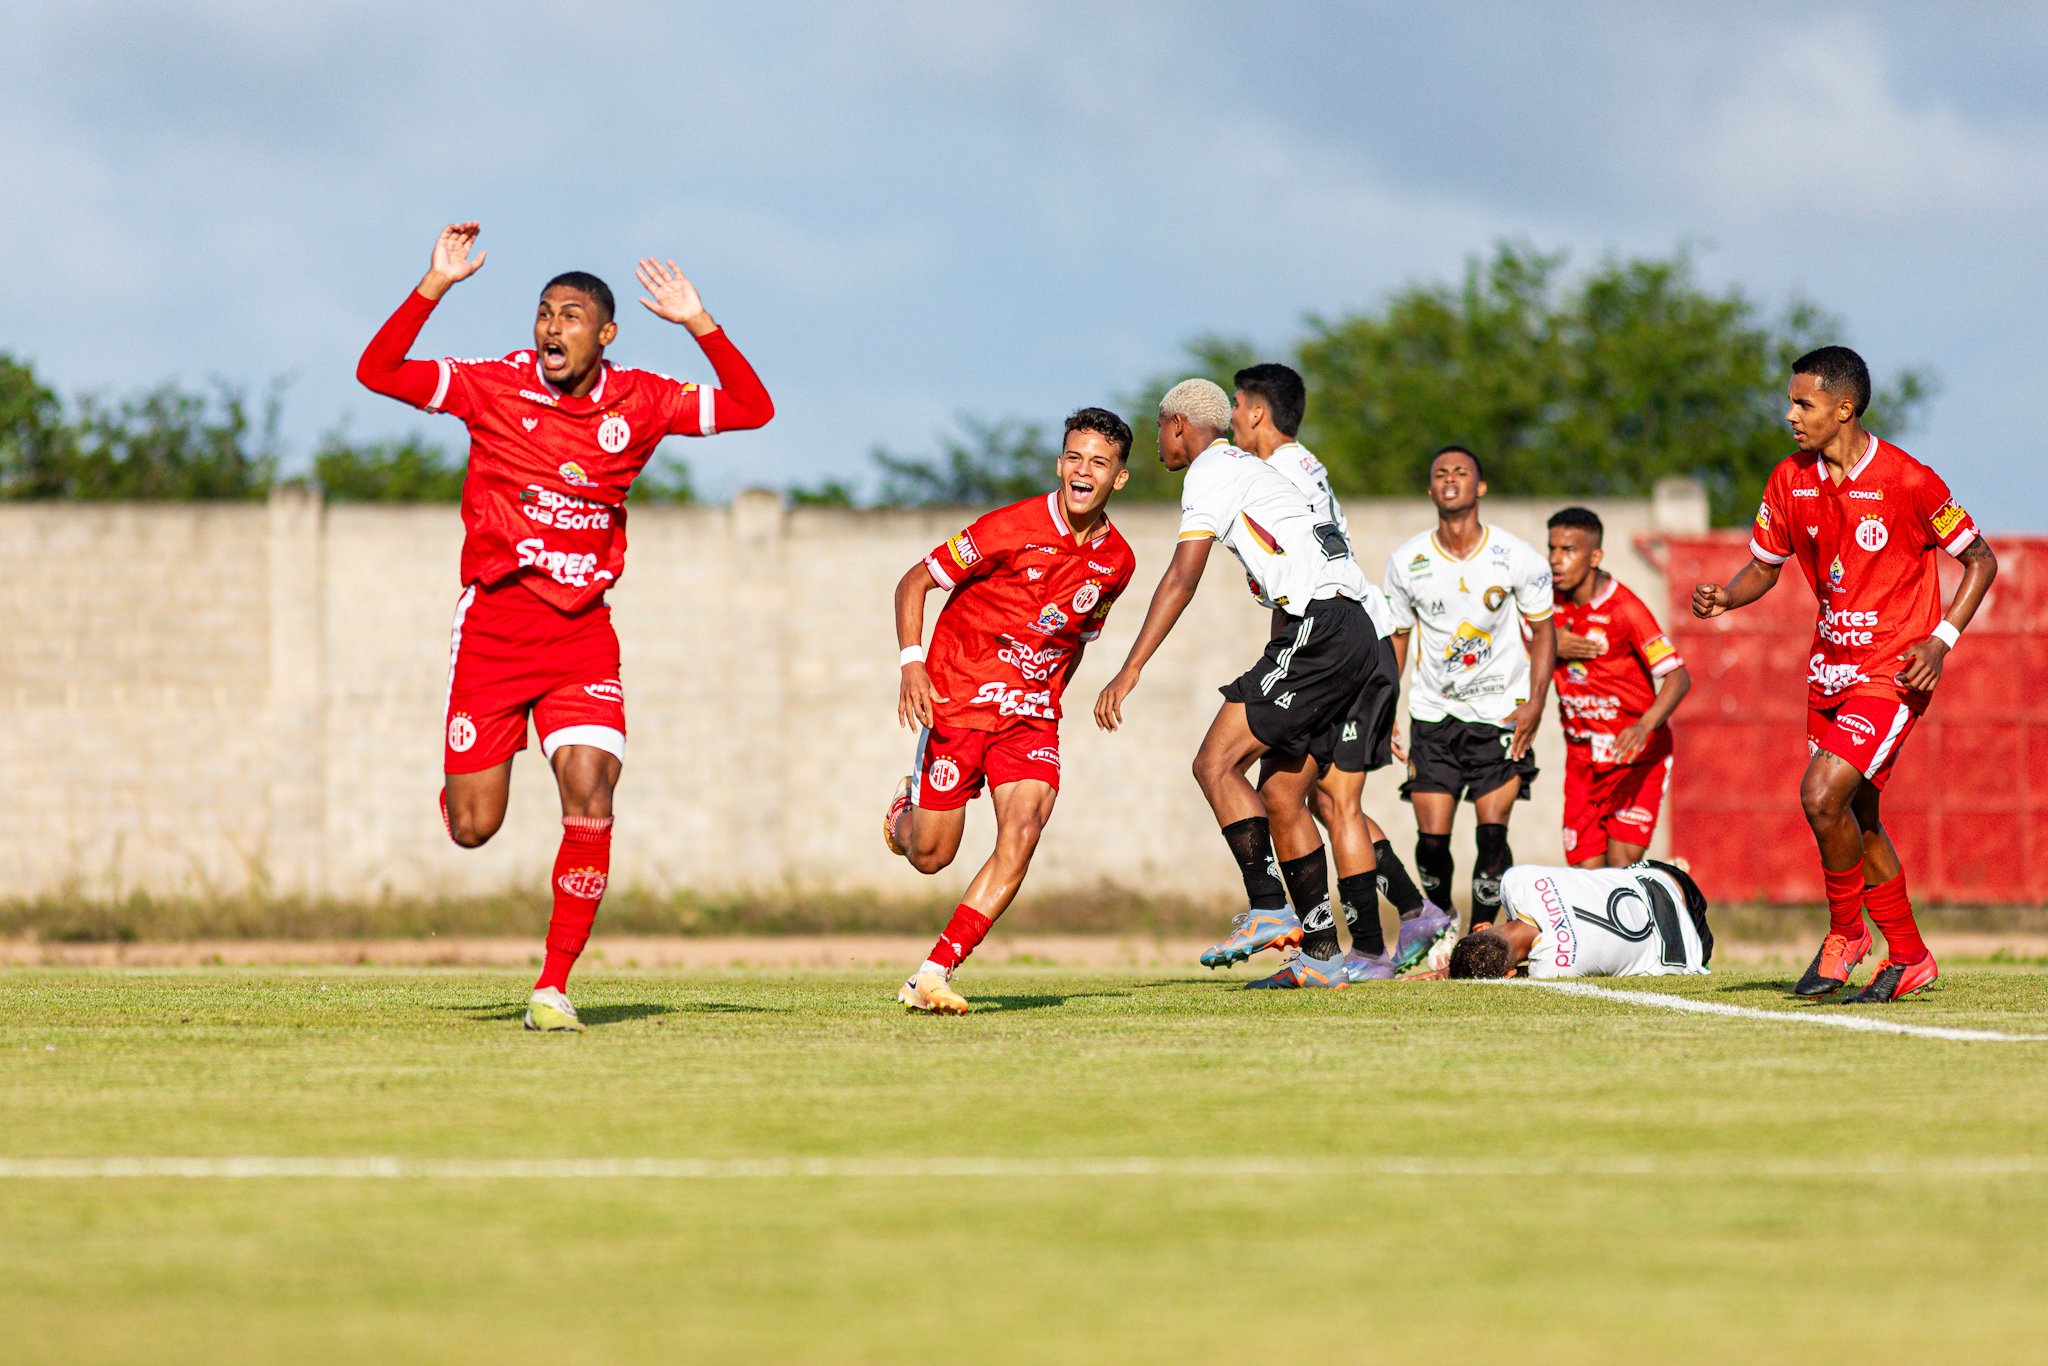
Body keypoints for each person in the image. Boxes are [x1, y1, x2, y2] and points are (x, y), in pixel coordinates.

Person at [356, 221, 773, 1032]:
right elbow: (377, 372)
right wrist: (435, 282)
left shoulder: (644, 399)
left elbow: (754, 408)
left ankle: (552, 985)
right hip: (496, 629)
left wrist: (699, 323)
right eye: (544, 312)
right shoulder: (494, 385)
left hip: (583, 635)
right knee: (476, 829)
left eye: (571, 314)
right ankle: (460, 791)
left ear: (605, 334)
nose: (551, 327)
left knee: (592, 791)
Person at [1693, 346, 1995, 1003]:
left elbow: (1981, 560)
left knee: (1820, 795)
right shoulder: (1788, 479)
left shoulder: (1910, 480)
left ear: (1843, 408)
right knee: (1859, 816)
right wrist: (1726, 596)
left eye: (1803, 404)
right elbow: (1765, 567)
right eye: (1791, 402)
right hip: (1828, 671)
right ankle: (1910, 957)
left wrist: (1940, 643)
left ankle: (1846, 935)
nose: (1790, 415)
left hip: (1893, 672)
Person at [1094, 378, 1381, 990]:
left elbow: (1181, 576)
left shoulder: (1211, 469)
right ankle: (1326, 955)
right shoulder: (1252, 472)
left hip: (1323, 629)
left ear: (1178, 426)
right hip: (1353, 633)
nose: (1157, 442)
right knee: (1281, 796)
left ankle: (1269, 906)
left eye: (1159, 429)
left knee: (1214, 764)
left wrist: (1131, 667)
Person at [886, 409, 1138, 1013]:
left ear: (1119, 479)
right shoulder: (1007, 527)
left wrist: (1049, 695)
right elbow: (914, 581)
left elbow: (1076, 639)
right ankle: (902, 813)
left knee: (1022, 831)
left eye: (1099, 463)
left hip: (1030, 716)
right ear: (1060, 464)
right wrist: (912, 663)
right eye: (1074, 458)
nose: (1084, 472)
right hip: (957, 699)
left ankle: (933, 973)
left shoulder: (1118, 563)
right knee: (930, 855)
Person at [1228, 363, 1454, 978]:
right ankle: (1412, 913)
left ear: (1253, 411)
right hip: (1352, 638)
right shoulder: (1305, 466)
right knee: (1312, 796)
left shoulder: (1271, 476)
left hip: (1346, 640)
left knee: (1339, 802)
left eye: (1233, 406)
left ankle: (1371, 950)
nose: (1228, 419)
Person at [1383, 447, 1557, 931]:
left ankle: (1480, 934)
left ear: (1480, 487)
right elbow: (1398, 638)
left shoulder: (1516, 556)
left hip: (1501, 715)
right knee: (1432, 842)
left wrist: (1536, 704)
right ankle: (1442, 922)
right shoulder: (1407, 560)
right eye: (1440, 473)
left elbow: (1544, 631)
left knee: (1492, 836)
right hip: (1433, 716)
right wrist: (1383, 710)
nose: (1450, 479)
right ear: (1430, 488)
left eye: (1461, 472)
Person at [1547, 507, 1693, 868]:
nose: (1556, 560)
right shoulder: (1544, 605)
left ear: (1595, 556)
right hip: (1582, 760)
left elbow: (1678, 676)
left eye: (1568, 550)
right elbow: (1514, 645)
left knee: (1618, 872)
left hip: (1634, 757)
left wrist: (1644, 725)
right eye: (1552, 549)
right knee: (1586, 879)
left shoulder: (1625, 609)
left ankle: (1666, 895)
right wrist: (1549, 644)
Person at [1414, 860, 1711, 979]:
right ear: (1482, 927)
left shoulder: (1554, 969)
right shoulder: (1518, 880)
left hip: (1688, 944)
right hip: (1659, 876)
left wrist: (1451, 972)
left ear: (1508, 975)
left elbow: (1528, 969)